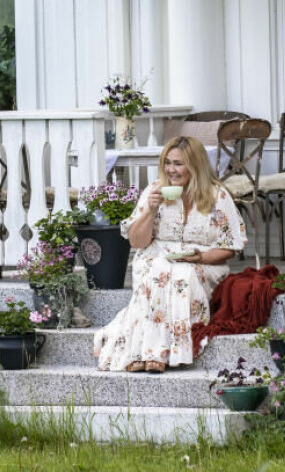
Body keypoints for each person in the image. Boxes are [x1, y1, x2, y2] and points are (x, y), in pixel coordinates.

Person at [93, 135, 246, 373]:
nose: (171, 170)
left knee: (182, 275)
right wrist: (151, 210)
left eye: (178, 164)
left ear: (195, 166)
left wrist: (201, 257)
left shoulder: (217, 196)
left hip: (202, 261)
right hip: (157, 255)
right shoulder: (154, 191)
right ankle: (144, 352)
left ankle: (160, 353)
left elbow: (231, 247)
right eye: (168, 162)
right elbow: (136, 241)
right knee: (159, 270)